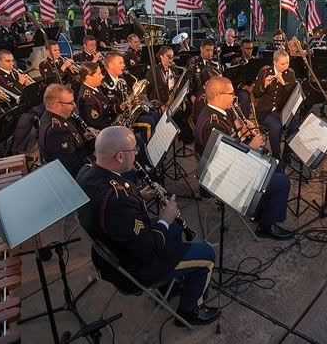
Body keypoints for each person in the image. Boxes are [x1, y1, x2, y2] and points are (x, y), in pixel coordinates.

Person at [76, 126, 220, 326]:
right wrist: (164, 219)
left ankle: (167, 286)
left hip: (113, 252)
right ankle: (190, 311)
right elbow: (145, 250)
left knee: (176, 229)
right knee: (207, 255)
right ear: (119, 156)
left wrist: (139, 195)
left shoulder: (87, 172)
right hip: (133, 268)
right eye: (133, 150)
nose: (136, 154)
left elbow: (113, 206)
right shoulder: (118, 201)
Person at [195, 76, 294, 240]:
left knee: (275, 165)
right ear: (218, 96)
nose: (235, 98)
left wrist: (241, 128)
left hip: (229, 166)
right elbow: (223, 162)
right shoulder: (212, 123)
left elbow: (229, 141)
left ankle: (260, 209)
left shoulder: (215, 112)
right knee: (282, 181)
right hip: (223, 177)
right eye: (231, 94)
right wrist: (252, 147)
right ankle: (266, 226)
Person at [38, 83, 93, 177]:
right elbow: (73, 168)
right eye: (70, 103)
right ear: (56, 105)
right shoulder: (55, 132)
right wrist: (97, 155)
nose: (74, 106)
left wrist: (85, 139)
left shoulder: (61, 116)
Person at [252, 49, 298, 159]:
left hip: (282, 109)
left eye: (287, 63)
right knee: (276, 126)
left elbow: (292, 94)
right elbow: (256, 93)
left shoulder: (290, 73)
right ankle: (276, 155)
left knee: (294, 125)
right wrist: (264, 85)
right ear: (275, 62)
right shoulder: (264, 72)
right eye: (282, 64)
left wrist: (283, 82)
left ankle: (287, 152)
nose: (285, 66)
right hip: (265, 110)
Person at [77, 62, 111, 130]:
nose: (102, 76)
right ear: (88, 77)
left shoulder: (96, 87)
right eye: (99, 74)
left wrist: (118, 108)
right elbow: (96, 124)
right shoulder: (87, 99)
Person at [230, 39, 256, 117]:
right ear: (242, 48)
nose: (249, 51)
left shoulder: (256, 60)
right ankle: (245, 120)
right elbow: (233, 80)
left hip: (254, 86)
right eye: (247, 48)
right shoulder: (236, 62)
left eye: (251, 48)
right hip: (240, 88)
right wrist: (245, 87)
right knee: (245, 97)